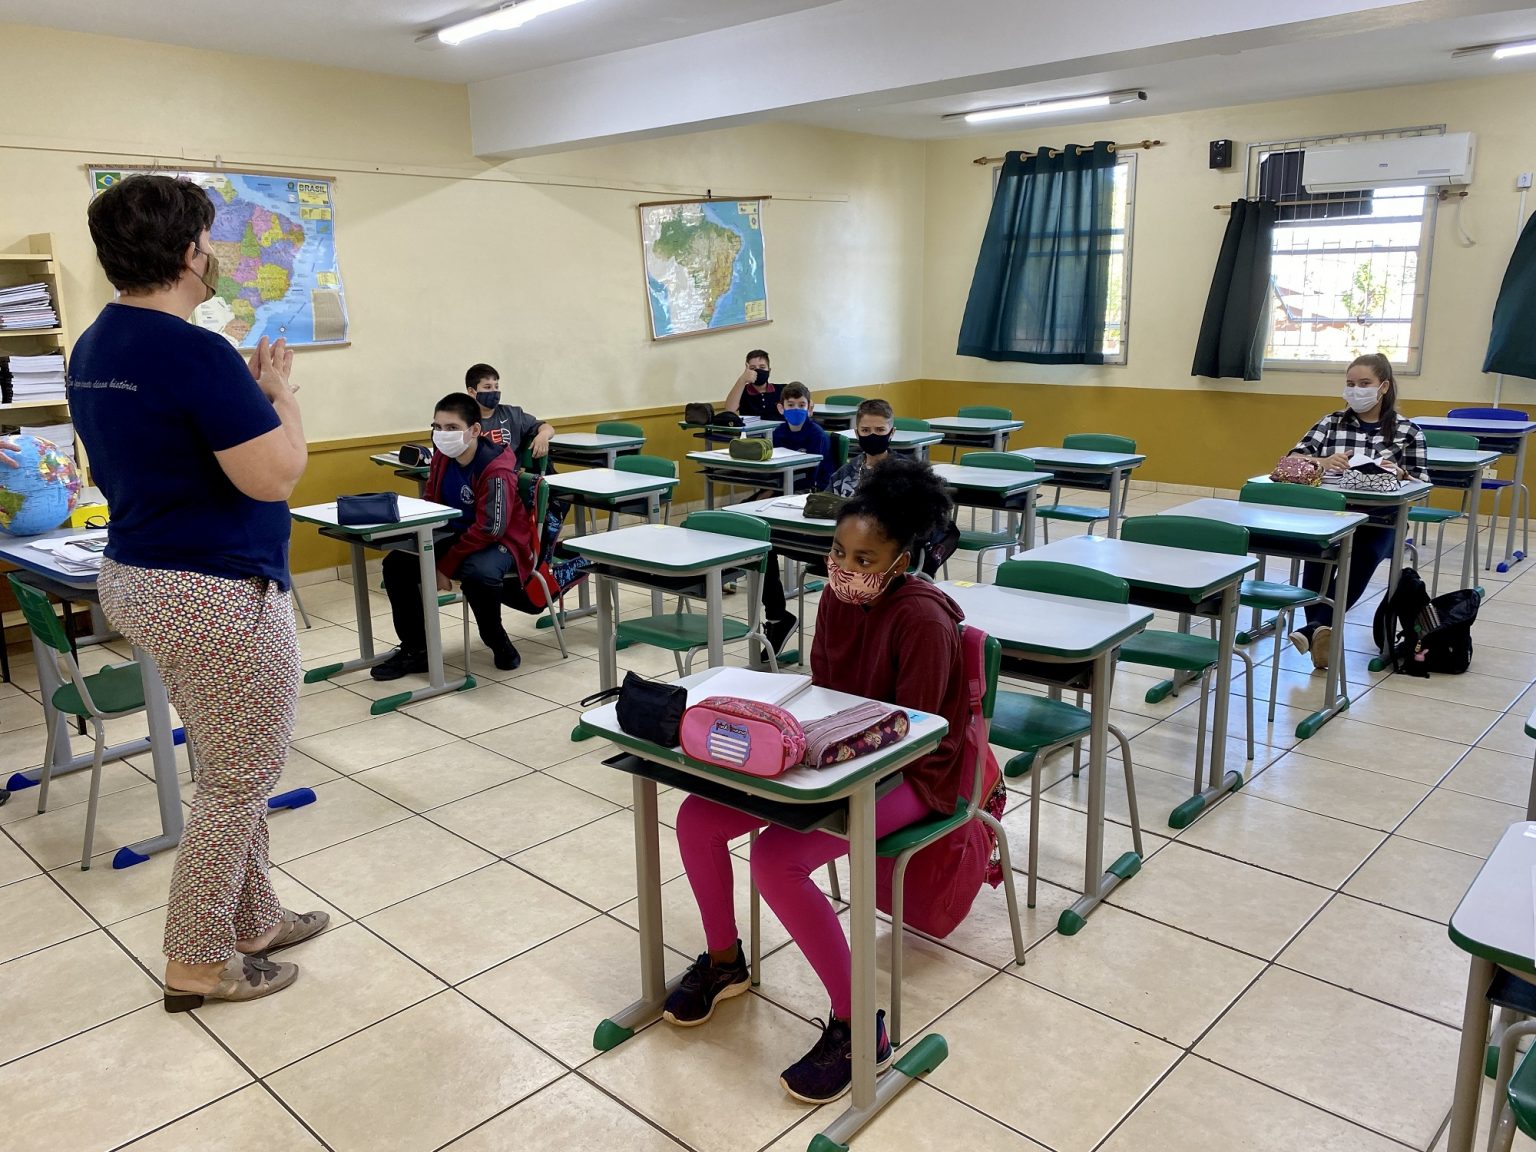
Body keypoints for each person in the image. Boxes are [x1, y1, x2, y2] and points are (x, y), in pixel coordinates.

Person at [69, 174, 324, 1010]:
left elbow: (163, 444)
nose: (212, 254)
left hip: (141, 579)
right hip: (212, 589)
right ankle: (197, 960)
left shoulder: (98, 344)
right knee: (238, 781)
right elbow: (275, 475)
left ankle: (255, 920)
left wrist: (239, 398)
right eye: (208, 242)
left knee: (226, 761)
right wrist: (280, 397)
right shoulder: (194, 350)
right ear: (188, 254)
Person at [665, 457, 973, 1105]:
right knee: (697, 818)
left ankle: (861, 1027)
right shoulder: (835, 599)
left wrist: (823, 777)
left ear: (902, 560)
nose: (845, 568)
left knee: (776, 859)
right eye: (838, 552)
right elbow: (827, 691)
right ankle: (724, 962)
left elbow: (916, 733)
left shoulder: (922, 619)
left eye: (865, 559)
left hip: (914, 772)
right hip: (835, 753)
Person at [1286, 353, 1428, 668]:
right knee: (1316, 553)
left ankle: (1315, 627)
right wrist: (1323, 461)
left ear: (1383, 387)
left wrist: (1399, 473)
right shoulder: (1331, 422)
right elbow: (1292, 460)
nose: (1356, 390)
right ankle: (1321, 633)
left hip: (1382, 521)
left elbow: (1422, 484)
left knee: (1364, 552)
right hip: (1331, 516)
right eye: (1351, 383)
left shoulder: (1408, 431)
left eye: (1365, 383)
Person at [374, 393, 530, 679]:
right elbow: (432, 503)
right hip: (458, 534)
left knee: (478, 574)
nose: (442, 434)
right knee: (397, 564)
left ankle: (496, 639)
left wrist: (443, 567)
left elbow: (491, 528)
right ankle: (416, 650)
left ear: (475, 430)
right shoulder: (442, 458)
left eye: (452, 428)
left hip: (501, 540)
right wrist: (420, 542)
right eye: (437, 427)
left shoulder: (495, 468)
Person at [759, 382, 836, 651]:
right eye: (790, 405)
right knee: (757, 536)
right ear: (781, 408)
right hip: (785, 495)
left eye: (801, 405)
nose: (796, 410)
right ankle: (777, 616)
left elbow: (816, 479)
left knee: (768, 533)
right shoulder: (778, 432)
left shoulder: (817, 435)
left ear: (810, 408)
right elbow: (776, 472)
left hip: (812, 497)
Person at [465, 362, 554, 463]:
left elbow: (545, 427)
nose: (494, 391)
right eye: (487, 387)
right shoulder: (462, 418)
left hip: (509, 471)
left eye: (496, 386)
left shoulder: (512, 414)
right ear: (471, 391)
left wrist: (544, 435)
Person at [828, 398, 895, 496]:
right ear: (857, 433)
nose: (872, 435)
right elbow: (826, 501)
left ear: (892, 432)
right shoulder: (844, 473)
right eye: (865, 430)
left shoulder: (907, 473)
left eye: (880, 430)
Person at [723, 349, 780, 418]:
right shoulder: (742, 391)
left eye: (762, 367)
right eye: (752, 368)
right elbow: (729, 411)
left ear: (769, 371)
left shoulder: (782, 389)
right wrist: (742, 380)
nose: (758, 370)